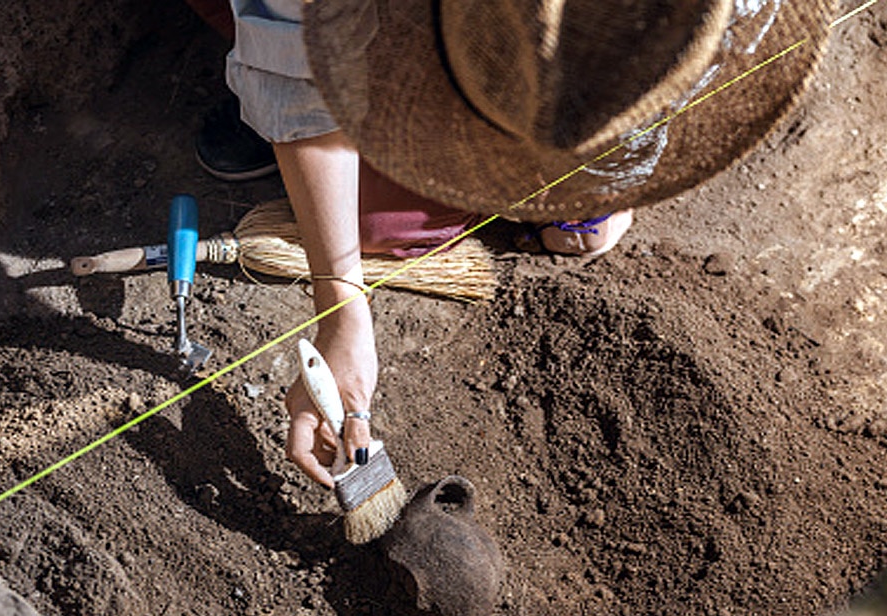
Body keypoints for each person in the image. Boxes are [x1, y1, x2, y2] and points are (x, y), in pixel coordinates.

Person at [219, 0, 834, 486]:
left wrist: (605, 186)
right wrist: (342, 308)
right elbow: (288, 40)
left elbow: (687, 69)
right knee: (384, 225)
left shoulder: (732, 12)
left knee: (578, 211)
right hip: (399, 24)